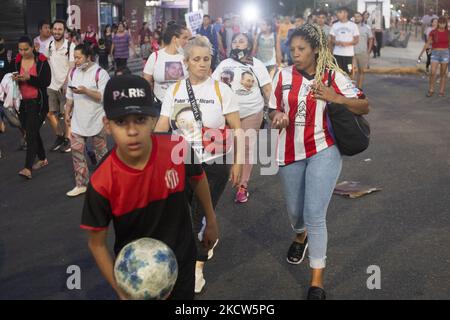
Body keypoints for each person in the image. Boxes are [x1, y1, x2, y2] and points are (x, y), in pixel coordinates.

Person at [81, 75, 218, 300]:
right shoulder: (101, 181)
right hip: (137, 278)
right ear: (107, 125)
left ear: (154, 120)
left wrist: (211, 220)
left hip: (183, 261)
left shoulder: (177, 148)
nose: (132, 131)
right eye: (121, 121)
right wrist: (120, 290)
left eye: (140, 119)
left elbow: (198, 178)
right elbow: (96, 244)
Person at [270, 24, 369, 300]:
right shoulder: (282, 75)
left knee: (315, 214)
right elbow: (273, 108)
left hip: (324, 149)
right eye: (292, 50)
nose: (296, 54)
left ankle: (317, 283)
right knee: (295, 211)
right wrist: (276, 116)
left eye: (301, 49)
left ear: (315, 49)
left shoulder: (331, 76)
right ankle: (299, 235)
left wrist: (335, 97)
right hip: (290, 151)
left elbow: (364, 105)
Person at [155, 36, 242, 294]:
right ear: (186, 62)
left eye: (206, 59)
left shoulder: (221, 90)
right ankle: (201, 242)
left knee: (198, 215)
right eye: (197, 59)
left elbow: (237, 128)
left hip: (214, 163)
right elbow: (161, 127)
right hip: (182, 162)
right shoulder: (175, 90)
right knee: (181, 215)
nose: (203, 64)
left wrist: (238, 163)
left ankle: (196, 268)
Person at [213, 32, 271, 203]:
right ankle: (231, 175)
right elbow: (212, 86)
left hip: (252, 111)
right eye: (235, 41)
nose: (238, 44)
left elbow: (267, 89)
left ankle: (242, 186)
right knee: (230, 148)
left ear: (249, 45)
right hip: (228, 114)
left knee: (246, 148)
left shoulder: (256, 64)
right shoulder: (223, 64)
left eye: (242, 41)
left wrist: (276, 109)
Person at [64, 44, 110, 197]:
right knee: (77, 151)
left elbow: (103, 96)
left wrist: (85, 91)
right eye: (74, 58)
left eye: (79, 57)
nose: (76, 61)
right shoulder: (73, 73)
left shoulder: (100, 73)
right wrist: (67, 112)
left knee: (101, 154)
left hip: (98, 119)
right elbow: (69, 96)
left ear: (88, 57)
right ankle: (82, 184)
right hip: (78, 120)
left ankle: (106, 184)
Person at [13, 36, 51, 179]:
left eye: (26, 49)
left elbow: (46, 82)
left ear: (33, 47)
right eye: (20, 49)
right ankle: (42, 158)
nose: (22, 52)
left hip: (38, 103)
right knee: (32, 131)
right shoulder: (17, 60)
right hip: (23, 103)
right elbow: (12, 75)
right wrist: (15, 79)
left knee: (30, 134)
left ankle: (27, 168)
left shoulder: (41, 60)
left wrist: (30, 78)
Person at [45, 20, 76, 153]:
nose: (57, 31)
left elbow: (72, 67)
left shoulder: (71, 46)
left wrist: (65, 83)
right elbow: (46, 63)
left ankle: (68, 139)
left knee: (66, 113)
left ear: (64, 31)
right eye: (55, 29)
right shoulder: (49, 44)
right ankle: (60, 136)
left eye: (60, 29)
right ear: (52, 30)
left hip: (65, 85)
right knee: (50, 113)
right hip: (51, 84)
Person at [143, 24, 189, 111]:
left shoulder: (188, 57)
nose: (187, 41)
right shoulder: (155, 56)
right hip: (159, 106)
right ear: (175, 39)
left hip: (183, 106)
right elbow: (146, 83)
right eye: (184, 38)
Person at [419, 17, 449, 97]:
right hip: (435, 53)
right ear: (438, 23)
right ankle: (431, 90)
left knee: (442, 74)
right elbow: (428, 43)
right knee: (432, 72)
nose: (442, 24)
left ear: (446, 24)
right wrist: (421, 54)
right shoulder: (433, 32)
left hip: (445, 53)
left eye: (444, 23)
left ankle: (441, 91)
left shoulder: (448, 32)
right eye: (440, 23)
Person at [330, 7, 360, 75]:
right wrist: (337, 42)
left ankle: (349, 85)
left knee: (349, 72)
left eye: (340, 12)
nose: (338, 14)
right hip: (337, 54)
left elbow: (356, 40)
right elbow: (332, 39)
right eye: (338, 12)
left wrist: (347, 43)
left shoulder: (353, 25)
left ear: (345, 13)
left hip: (348, 55)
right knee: (337, 73)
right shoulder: (335, 25)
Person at [353, 12, 374, 89]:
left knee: (361, 71)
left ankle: (359, 88)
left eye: (358, 16)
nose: (356, 18)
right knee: (353, 71)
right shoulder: (351, 27)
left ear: (361, 18)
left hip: (362, 52)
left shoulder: (367, 27)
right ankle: (352, 88)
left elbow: (371, 39)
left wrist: (368, 51)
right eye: (355, 17)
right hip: (352, 53)